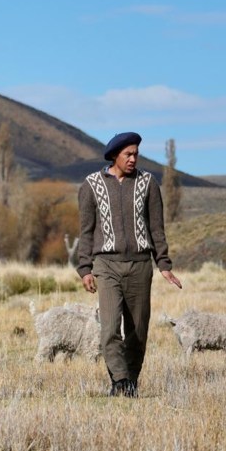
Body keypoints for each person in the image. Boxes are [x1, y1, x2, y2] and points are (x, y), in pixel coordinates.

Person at [76, 131, 182, 398]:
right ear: (115, 155)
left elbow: (157, 228)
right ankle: (120, 380)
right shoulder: (91, 185)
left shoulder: (148, 183)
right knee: (110, 328)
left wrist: (163, 263)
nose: (134, 159)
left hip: (140, 265)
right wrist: (85, 268)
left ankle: (131, 382)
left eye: (136, 154)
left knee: (138, 330)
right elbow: (86, 231)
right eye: (128, 154)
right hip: (106, 265)